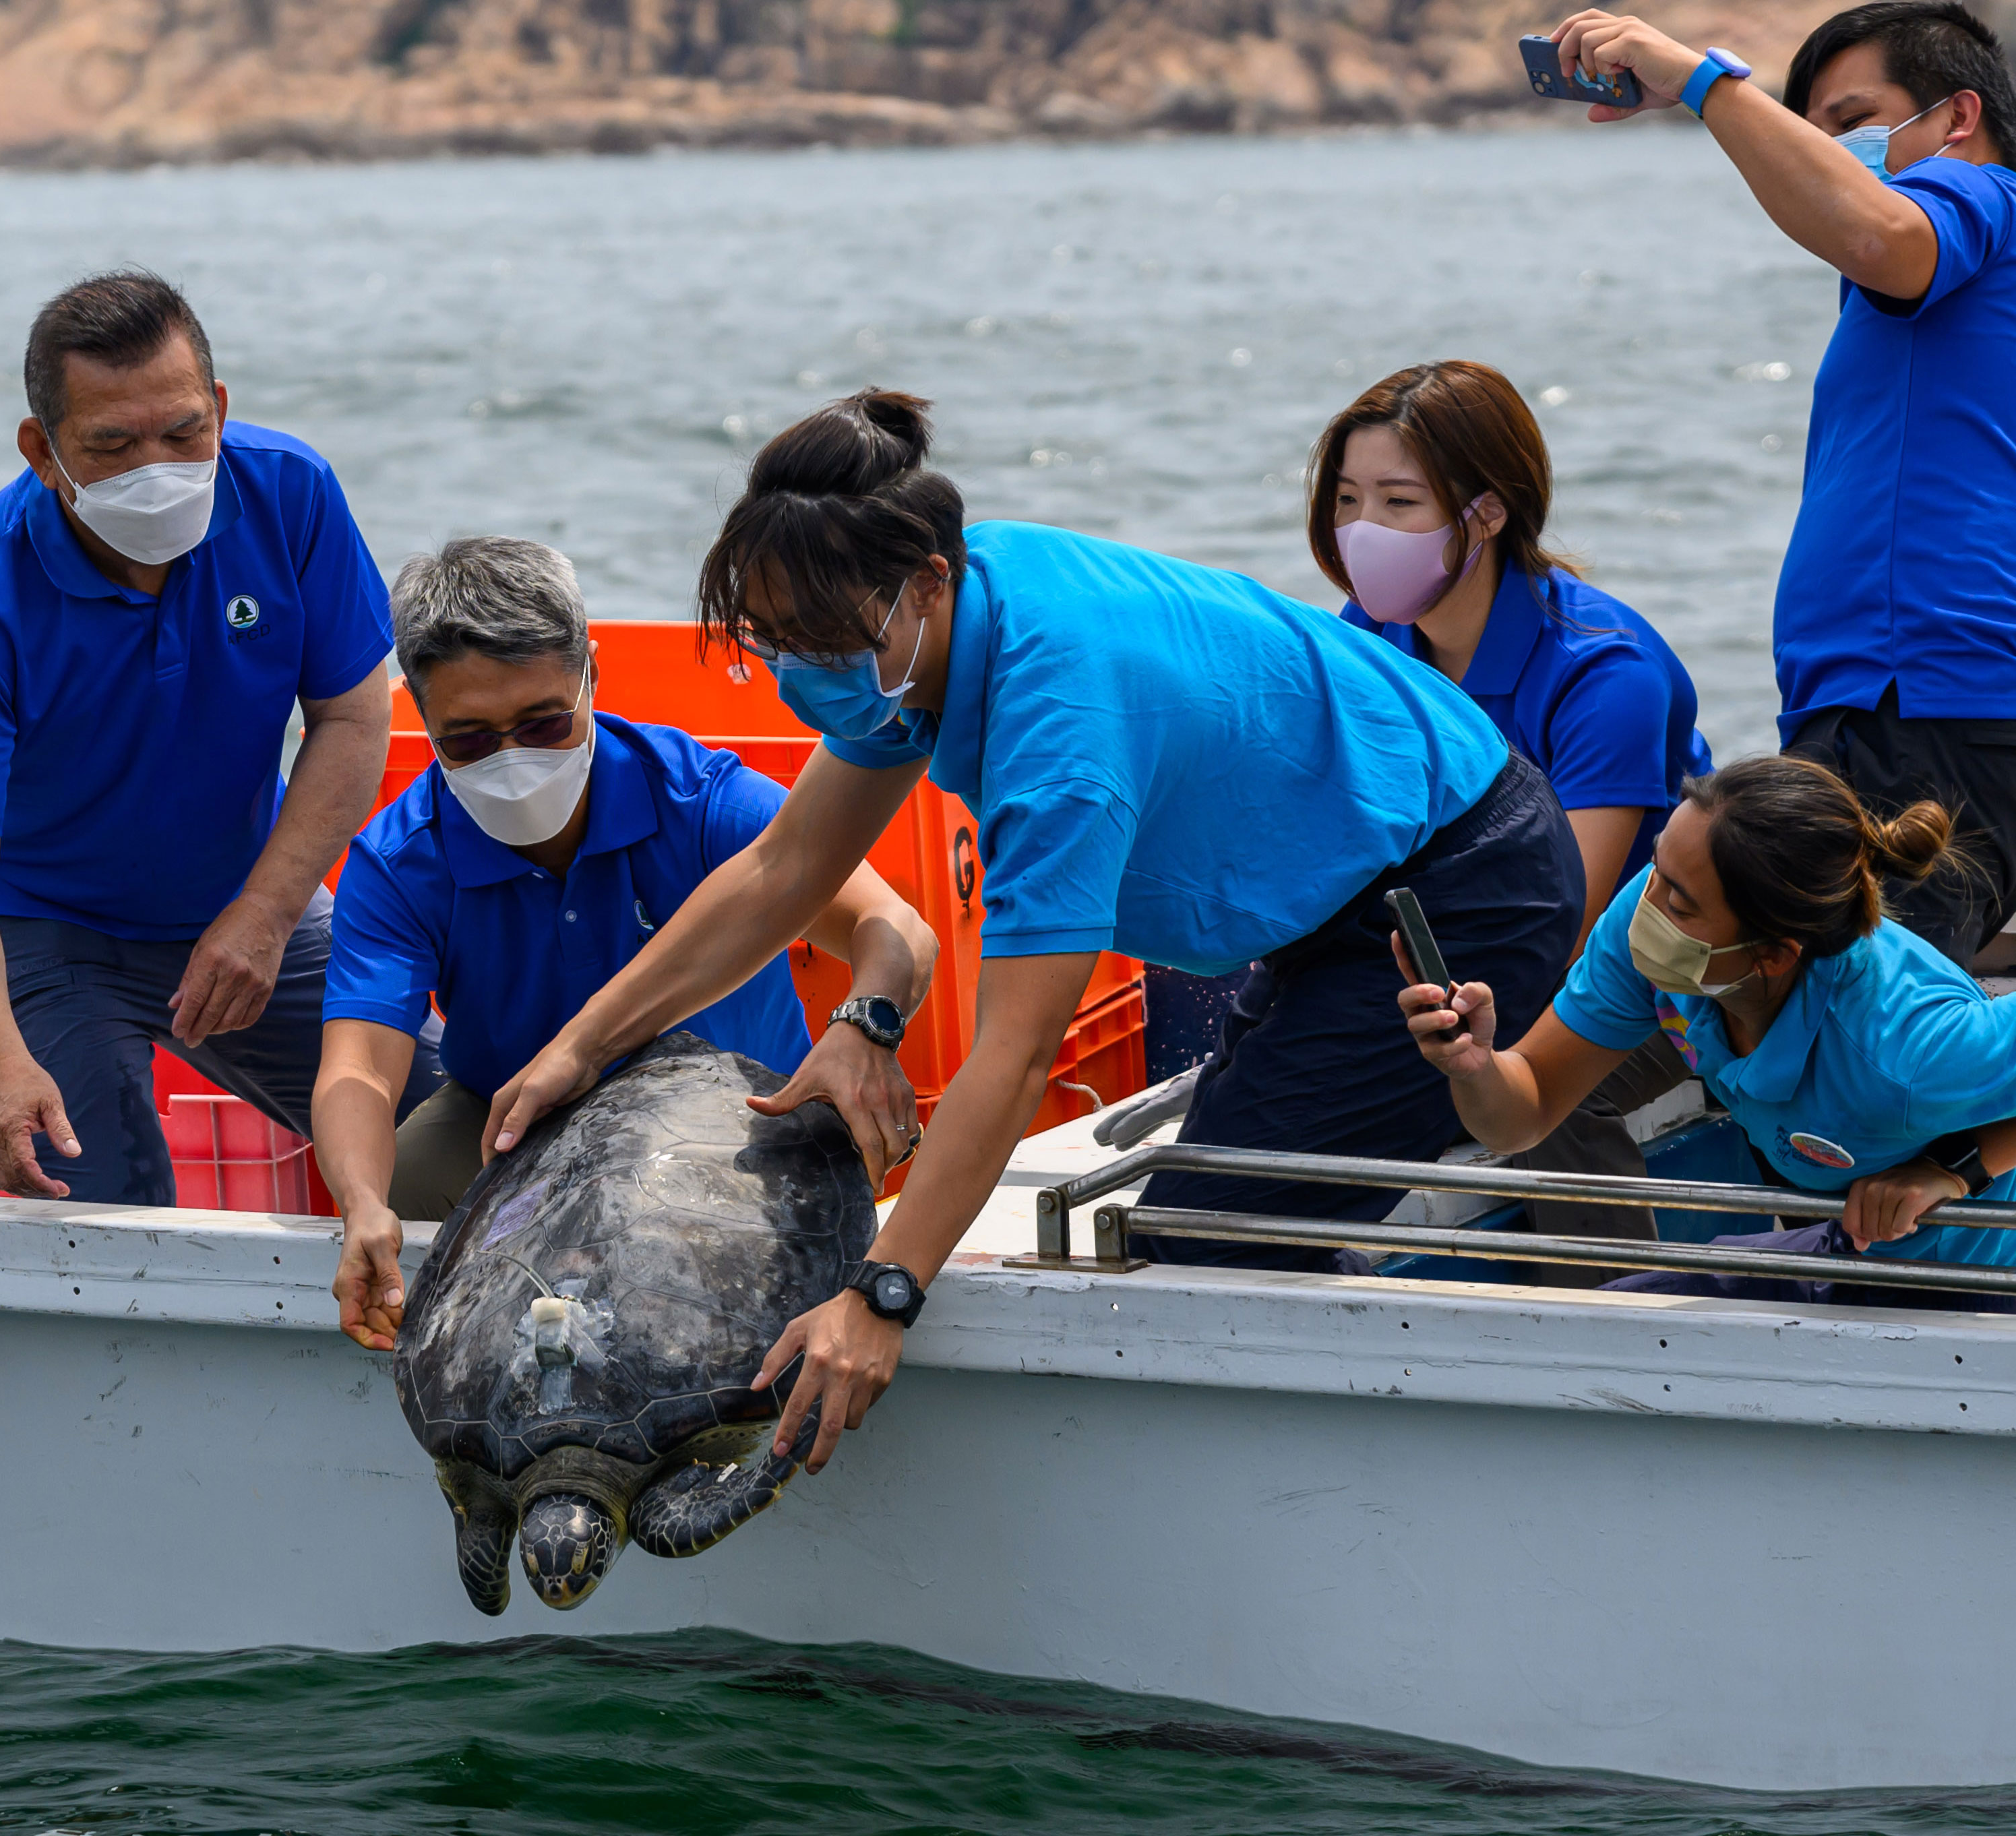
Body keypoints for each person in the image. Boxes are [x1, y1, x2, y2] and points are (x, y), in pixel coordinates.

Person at [481, 389, 1582, 1473]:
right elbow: (783, 869)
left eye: (822, 639)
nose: (798, 669)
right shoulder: (924, 632)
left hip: (1455, 883)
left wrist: (883, 1294)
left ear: (925, 584)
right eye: (772, 640)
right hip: (1343, 860)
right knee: (1236, 1180)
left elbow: (1012, 1062)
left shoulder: (1058, 735)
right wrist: (583, 1045)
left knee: (1206, 1245)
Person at [1544, 1, 2016, 965]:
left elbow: (1879, 240)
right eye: (1810, 130)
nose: (1825, 152)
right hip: (1969, 737)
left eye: (1850, 122)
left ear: (1956, 119)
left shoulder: (1982, 203)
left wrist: (1700, 83)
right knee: (1769, 1017)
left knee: (1846, 1049)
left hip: (1919, 724)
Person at [317, 537, 939, 1352]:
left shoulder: (699, 800)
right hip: (519, 1132)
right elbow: (359, 1065)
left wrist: (865, 1028)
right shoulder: (402, 861)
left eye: (542, 723)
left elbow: (896, 929)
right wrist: (362, 1204)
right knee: (395, 1196)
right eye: (468, 740)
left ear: (592, 675)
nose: (512, 759)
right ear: (421, 718)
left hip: (740, 1124)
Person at [0, 269, 437, 1205]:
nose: (158, 466)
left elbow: (354, 717)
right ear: (42, 449)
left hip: (248, 896)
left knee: (451, 1129)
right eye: (112, 445)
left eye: (185, 431)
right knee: (85, 1200)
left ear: (220, 407)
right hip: (53, 931)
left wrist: (267, 913)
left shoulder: (292, 494)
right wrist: (2, 1067)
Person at [1397, 755, 2016, 1314]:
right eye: (1658, 873)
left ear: (1771, 955)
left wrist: (1958, 1171)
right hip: (1857, 1230)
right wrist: (1473, 1064)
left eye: (1681, 900)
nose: (1647, 908)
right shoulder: (1660, 922)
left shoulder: (1906, 1046)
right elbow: (1523, 1110)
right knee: (1626, 1323)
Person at [1317, 359, 1711, 1277]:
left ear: (1485, 514)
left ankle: (1618, 1329)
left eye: (1396, 503)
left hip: (1656, 976)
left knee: (1550, 1088)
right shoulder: (1367, 637)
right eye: (1345, 499)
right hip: (1461, 951)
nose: (1360, 530)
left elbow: (1560, 929)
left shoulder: (1603, 676)